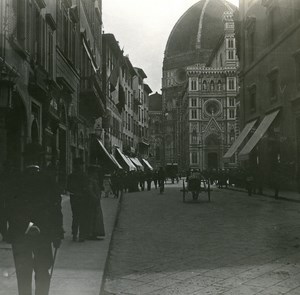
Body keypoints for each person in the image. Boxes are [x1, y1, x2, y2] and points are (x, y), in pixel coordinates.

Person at [6, 143, 64, 295]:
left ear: (25, 160)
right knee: (43, 272)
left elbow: (5, 207)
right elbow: (56, 208)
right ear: (41, 159)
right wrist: (58, 233)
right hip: (43, 234)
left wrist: (5, 231)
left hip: (20, 234)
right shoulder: (49, 180)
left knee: (22, 274)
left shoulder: (15, 180)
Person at [67, 157, 89, 242]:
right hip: (82, 198)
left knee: (75, 216)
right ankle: (82, 235)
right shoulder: (84, 175)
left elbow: (68, 187)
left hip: (74, 198)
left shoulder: (71, 176)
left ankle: (74, 234)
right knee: (82, 216)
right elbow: (86, 187)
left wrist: (74, 191)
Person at [87, 165, 105, 240]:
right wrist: (95, 198)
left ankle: (94, 233)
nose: (97, 174)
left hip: (95, 201)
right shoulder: (91, 180)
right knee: (93, 217)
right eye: (95, 172)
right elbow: (90, 190)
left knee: (95, 217)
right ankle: (91, 234)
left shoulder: (94, 180)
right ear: (92, 173)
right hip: (92, 202)